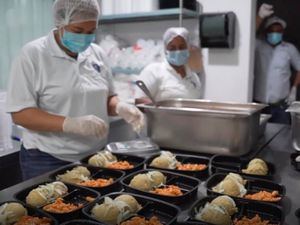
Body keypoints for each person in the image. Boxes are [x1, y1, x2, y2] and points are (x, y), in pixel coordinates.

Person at [6, 0, 144, 180]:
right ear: (60, 24)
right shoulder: (33, 55)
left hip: (96, 155)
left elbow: (108, 97)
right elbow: (21, 114)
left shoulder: (97, 53)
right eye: (78, 31)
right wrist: (70, 124)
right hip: (48, 158)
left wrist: (119, 107)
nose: (85, 38)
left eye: (91, 32)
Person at [254, 4, 300, 124]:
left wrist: (294, 89)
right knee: (258, 138)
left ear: (283, 32)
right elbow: (248, 33)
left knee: (281, 137)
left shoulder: (289, 49)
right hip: (260, 106)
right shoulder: (258, 45)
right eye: (272, 31)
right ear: (266, 31)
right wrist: (259, 17)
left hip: (280, 107)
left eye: (278, 31)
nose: (275, 34)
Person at [135, 27, 204, 104]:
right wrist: (159, 109)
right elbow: (139, 100)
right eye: (172, 48)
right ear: (165, 50)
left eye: (181, 47)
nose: (178, 51)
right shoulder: (154, 71)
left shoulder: (193, 77)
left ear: (188, 48)